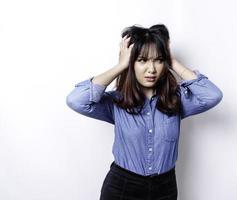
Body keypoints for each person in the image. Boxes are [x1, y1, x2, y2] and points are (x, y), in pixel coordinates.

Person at [66, 24, 223, 200]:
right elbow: (75, 100)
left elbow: (212, 95)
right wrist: (121, 65)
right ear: (131, 63)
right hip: (122, 188)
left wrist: (172, 61)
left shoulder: (176, 100)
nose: (152, 69)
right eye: (142, 60)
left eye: (158, 60)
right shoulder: (116, 102)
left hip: (165, 188)